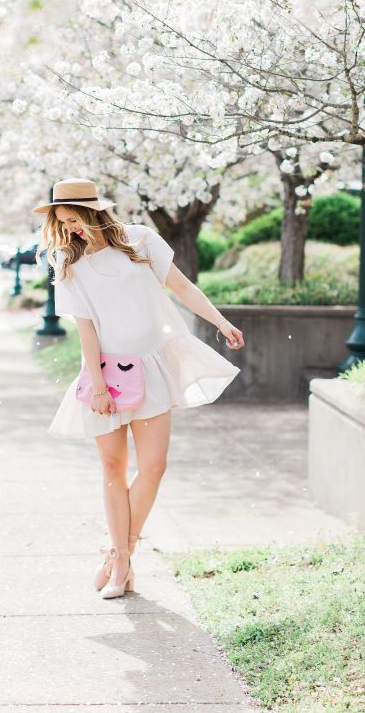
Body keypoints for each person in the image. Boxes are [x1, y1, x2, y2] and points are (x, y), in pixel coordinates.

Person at [32, 176, 244, 599]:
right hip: (104, 375)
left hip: (151, 367)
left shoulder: (141, 241)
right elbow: (86, 330)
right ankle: (123, 562)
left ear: (95, 210)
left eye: (75, 218)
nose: (71, 228)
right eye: (63, 221)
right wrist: (96, 385)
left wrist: (221, 322)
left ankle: (119, 554)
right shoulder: (69, 263)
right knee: (112, 467)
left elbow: (181, 286)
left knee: (153, 467)